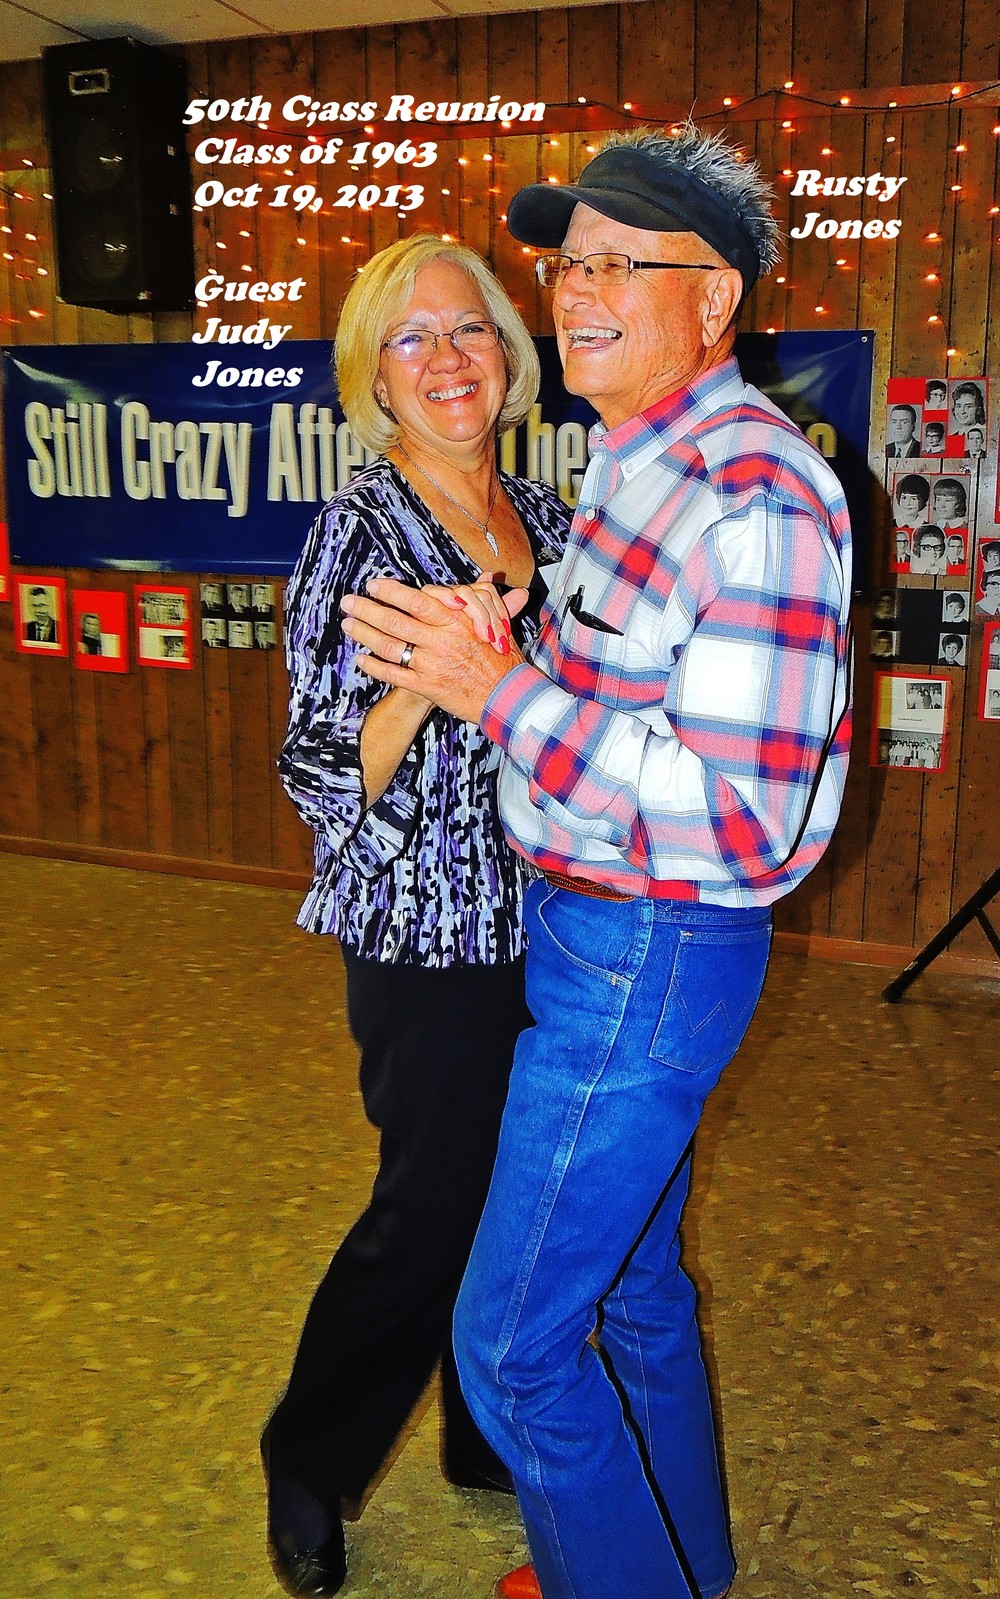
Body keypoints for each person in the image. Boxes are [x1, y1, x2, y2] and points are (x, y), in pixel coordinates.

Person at [343, 124, 853, 1599]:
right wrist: (516, 647)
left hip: (650, 953)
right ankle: (678, 1571)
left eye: (624, 265)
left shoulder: (752, 498)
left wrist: (498, 693)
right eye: (571, 264)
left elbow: (744, 820)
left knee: (511, 1348)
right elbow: (638, 696)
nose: (575, 292)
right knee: (630, 1294)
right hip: (593, 938)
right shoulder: (637, 461)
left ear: (718, 300)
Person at [262, 233, 569, 1598]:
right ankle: (309, 1457)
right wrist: (428, 683)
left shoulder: (546, 518)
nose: (447, 358)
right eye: (412, 338)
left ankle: (478, 1432)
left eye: (470, 329)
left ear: (508, 355)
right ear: (374, 379)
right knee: (430, 1209)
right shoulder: (362, 531)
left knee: (518, 1198)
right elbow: (315, 773)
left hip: (556, 916)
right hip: (424, 925)